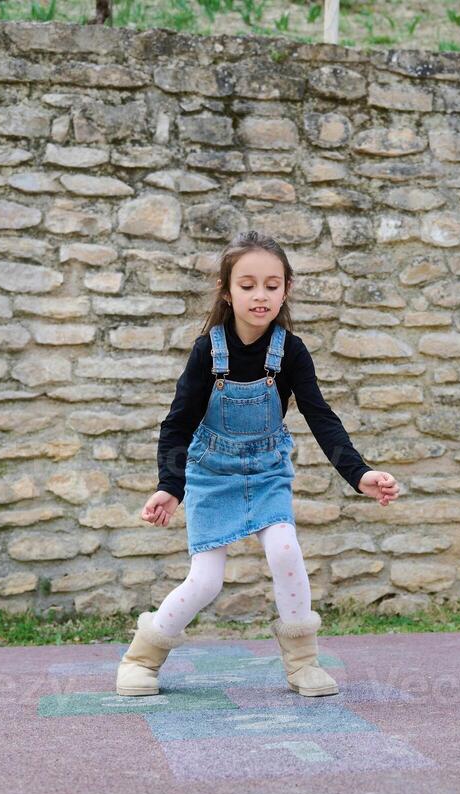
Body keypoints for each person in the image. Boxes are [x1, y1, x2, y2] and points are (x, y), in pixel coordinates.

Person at [116, 231, 401, 699]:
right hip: (210, 473)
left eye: (272, 284)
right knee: (206, 580)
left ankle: (303, 662)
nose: (260, 295)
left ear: (286, 289)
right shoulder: (209, 350)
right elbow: (177, 423)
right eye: (247, 285)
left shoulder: (290, 351)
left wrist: (360, 474)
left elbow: (321, 416)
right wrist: (170, 486)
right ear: (227, 292)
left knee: (285, 551)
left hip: (267, 472)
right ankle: (140, 659)